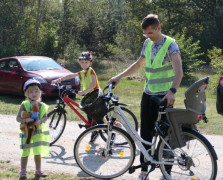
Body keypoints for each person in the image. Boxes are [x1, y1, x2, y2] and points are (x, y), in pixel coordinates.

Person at [108, 14, 183, 180]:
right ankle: (143, 170)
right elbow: (138, 64)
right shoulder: (147, 43)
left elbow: (179, 72)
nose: (148, 36)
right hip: (148, 93)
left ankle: (167, 173)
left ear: (159, 28)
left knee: (166, 134)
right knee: (145, 133)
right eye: (146, 34)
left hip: (165, 96)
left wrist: (173, 91)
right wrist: (119, 76)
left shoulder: (171, 45)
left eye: (151, 33)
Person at [51, 51, 103, 142]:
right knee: (89, 116)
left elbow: (94, 84)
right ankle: (94, 131)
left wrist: (83, 91)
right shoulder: (82, 72)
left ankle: (109, 132)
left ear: (90, 62)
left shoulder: (91, 71)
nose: (84, 64)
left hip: (95, 95)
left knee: (95, 116)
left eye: (86, 62)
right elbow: (71, 75)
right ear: (79, 63)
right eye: (82, 62)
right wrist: (59, 80)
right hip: (88, 96)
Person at [16, 79, 50, 179]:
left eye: (36, 91)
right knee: (25, 151)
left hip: (38, 132)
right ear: (27, 94)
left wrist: (40, 121)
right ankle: (23, 170)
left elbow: (45, 117)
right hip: (26, 132)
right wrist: (26, 120)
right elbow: (18, 118)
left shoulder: (42, 105)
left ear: (40, 93)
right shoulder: (24, 105)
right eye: (31, 92)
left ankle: (38, 169)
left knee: (37, 151)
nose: (34, 94)